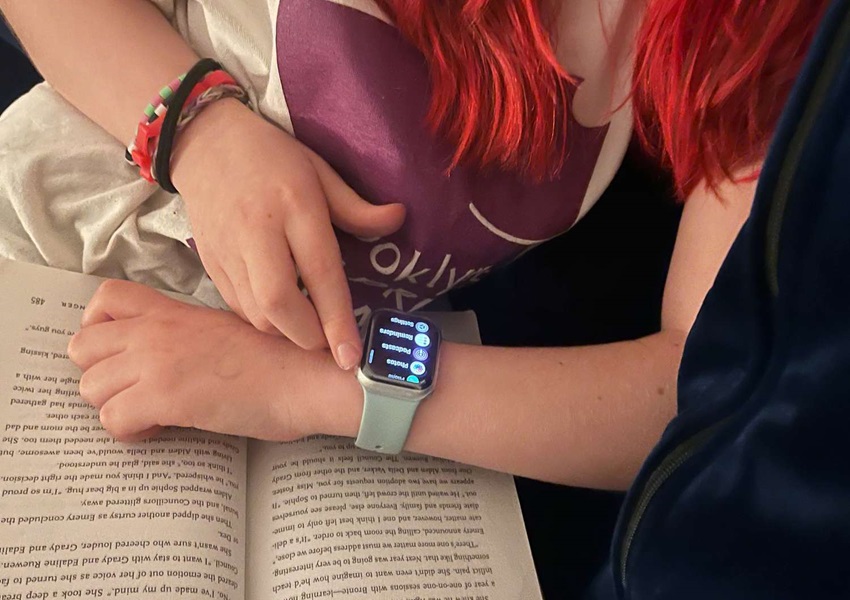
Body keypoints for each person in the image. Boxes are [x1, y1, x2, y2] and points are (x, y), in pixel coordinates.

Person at [0, 0, 825, 487]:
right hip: (41, 278)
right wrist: (202, 135)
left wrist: (310, 389)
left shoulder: (763, 32)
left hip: (278, 421)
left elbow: (694, 385)